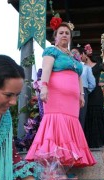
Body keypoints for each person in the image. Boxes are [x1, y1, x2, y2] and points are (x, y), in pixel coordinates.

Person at [25, 20, 96, 169]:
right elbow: (46, 70)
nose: (64, 35)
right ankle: (53, 169)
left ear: (70, 37)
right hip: (56, 96)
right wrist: (43, 87)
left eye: (67, 33)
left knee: (70, 127)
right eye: (61, 33)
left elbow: (78, 77)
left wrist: (81, 94)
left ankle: (66, 165)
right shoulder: (52, 51)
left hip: (72, 100)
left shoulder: (74, 57)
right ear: (55, 37)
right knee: (56, 127)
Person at [80, 44, 104, 148]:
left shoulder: (98, 65)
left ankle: (100, 143)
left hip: (96, 94)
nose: (80, 57)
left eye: (81, 55)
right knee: (85, 115)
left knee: (97, 116)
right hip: (85, 93)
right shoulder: (81, 67)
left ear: (86, 55)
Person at [71, 47, 96, 130]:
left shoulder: (86, 68)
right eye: (73, 52)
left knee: (81, 116)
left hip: (83, 92)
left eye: (76, 52)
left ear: (81, 55)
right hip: (70, 92)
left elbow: (92, 83)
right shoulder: (67, 67)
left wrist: (85, 92)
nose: (74, 54)